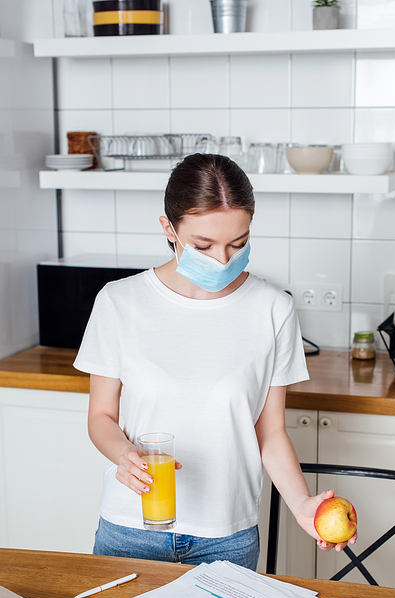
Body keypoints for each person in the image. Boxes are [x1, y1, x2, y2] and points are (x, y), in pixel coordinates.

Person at [74, 153, 357, 570]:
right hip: (130, 527)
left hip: (227, 537)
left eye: (238, 244)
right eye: (203, 246)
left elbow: (271, 431)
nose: (222, 260)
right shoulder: (119, 302)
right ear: (169, 228)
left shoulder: (272, 309)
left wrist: (301, 505)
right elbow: (100, 415)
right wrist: (123, 455)